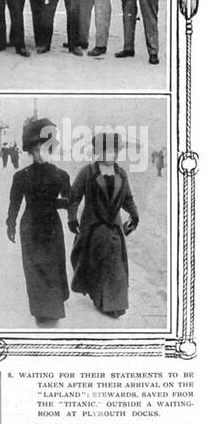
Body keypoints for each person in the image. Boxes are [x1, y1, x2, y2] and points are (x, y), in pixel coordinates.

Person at [6, 117, 71, 326]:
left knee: (53, 266)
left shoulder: (61, 175)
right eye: (35, 149)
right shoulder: (21, 176)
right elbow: (14, 204)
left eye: (45, 148)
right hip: (31, 227)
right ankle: (40, 309)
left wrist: (67, 209)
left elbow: (71, 202)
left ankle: (53, 308)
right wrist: (11, 225)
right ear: (30, 152)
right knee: (34, 269)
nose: (40, 153)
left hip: (52, 227)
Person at [68, 129, 139, 319]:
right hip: (93, 225)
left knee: (115, 261)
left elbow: (127, 198)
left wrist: (134, 214)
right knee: (96, 260)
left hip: (114, 225)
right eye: (107, 151)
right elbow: (74, 197)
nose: (111, 155)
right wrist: (72, 218)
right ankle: (99, 298)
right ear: (98, 152)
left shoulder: (121, 173)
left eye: (114, 151)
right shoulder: (88, 172)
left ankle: (114, 303)